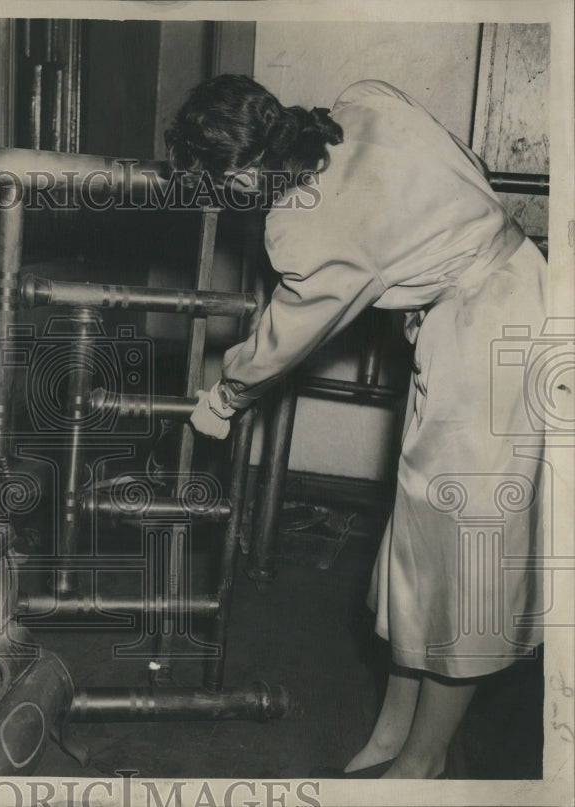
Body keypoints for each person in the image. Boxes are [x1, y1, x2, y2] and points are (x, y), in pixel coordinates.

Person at [165, 75, 548, 779]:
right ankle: (393, 730)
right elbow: (460, 171)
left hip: (497, 336)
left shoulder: (303, 226)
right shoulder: (362, 103)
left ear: (245, 173)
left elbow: (282, 340)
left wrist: (222, 396)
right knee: (419, 541)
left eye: (221, 188)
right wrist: (434, 265)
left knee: (466, 559)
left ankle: (423, 760)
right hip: (505, 294)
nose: (227, 202)